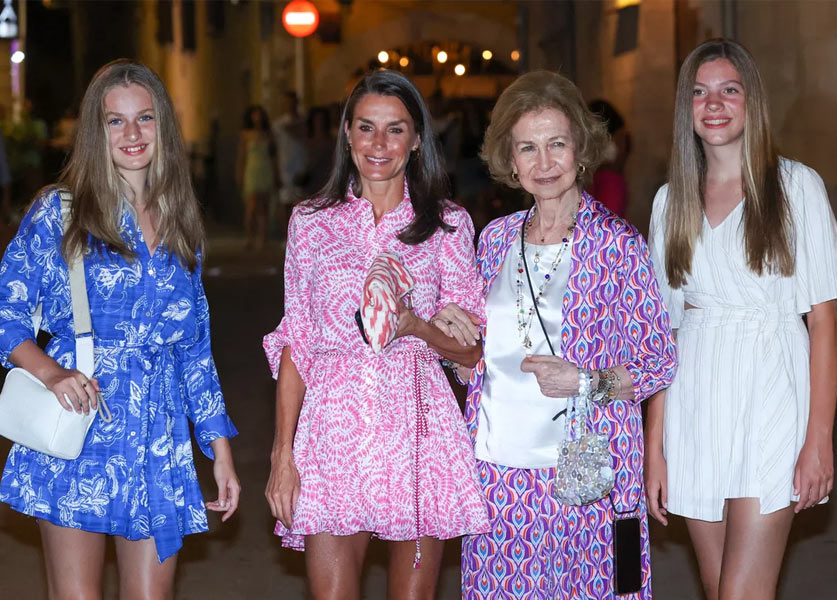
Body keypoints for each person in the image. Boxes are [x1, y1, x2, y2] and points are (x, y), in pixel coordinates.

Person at [0, 60, 240, 598]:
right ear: (96, 130)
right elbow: (5, 311)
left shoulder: (182, 222)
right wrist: (51, 372)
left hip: (159, 438)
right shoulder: (58, 212)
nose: (132, 134)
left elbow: (195, 349)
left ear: (163, 128)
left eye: (145, 118)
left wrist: (219, 450)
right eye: (115, 121)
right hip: (79, 424)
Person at [433, 70, 677, 599]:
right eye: (528, 148)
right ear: (510, 161)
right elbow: (484, 355)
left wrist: (586, 380)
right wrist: (459, 353)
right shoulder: (494, 240)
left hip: (586, 478)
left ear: (581, 150)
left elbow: (659, 363)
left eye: (556, 144)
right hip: (496, 469)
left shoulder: (618, 245)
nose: (543, 163)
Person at [263, 69, 490, 600]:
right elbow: (299, 339)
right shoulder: (311, 223)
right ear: (347, 131)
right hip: (332, 426)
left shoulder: (448, 225)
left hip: (418, 430)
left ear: (415, 140)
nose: (379, 143)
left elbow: (472, 350)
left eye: (395, 129)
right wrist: (282, 454)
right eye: (366, 127)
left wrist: (414, 324)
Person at [645, 39, 837, 600]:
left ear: (752, 101)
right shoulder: (669, 202)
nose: (715, 103)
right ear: (688, 109)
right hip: (695, 403)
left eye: (730, 89)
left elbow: (824, 319)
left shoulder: (795, 188)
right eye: (700, 92)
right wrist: (653, 449)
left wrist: (819, 437)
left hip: (772, 390)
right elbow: (665, 336)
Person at [237, 104, 277, 250]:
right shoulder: (246, 135)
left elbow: (274, 156)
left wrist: (276, 172)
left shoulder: (269, 134)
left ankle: (263, 238)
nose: (257, 118)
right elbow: (242, 156)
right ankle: (249, 237)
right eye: (255, 115)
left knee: (264, 207)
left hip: (265, 170)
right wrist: (239, 173)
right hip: (252, 171)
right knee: (251, 207)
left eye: (259, 115)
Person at [588, 99, 630, 218]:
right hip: (600, 180)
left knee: (607, 221)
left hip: (610, 181)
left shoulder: (619, 136)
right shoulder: (597, 136)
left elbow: (618, 162)